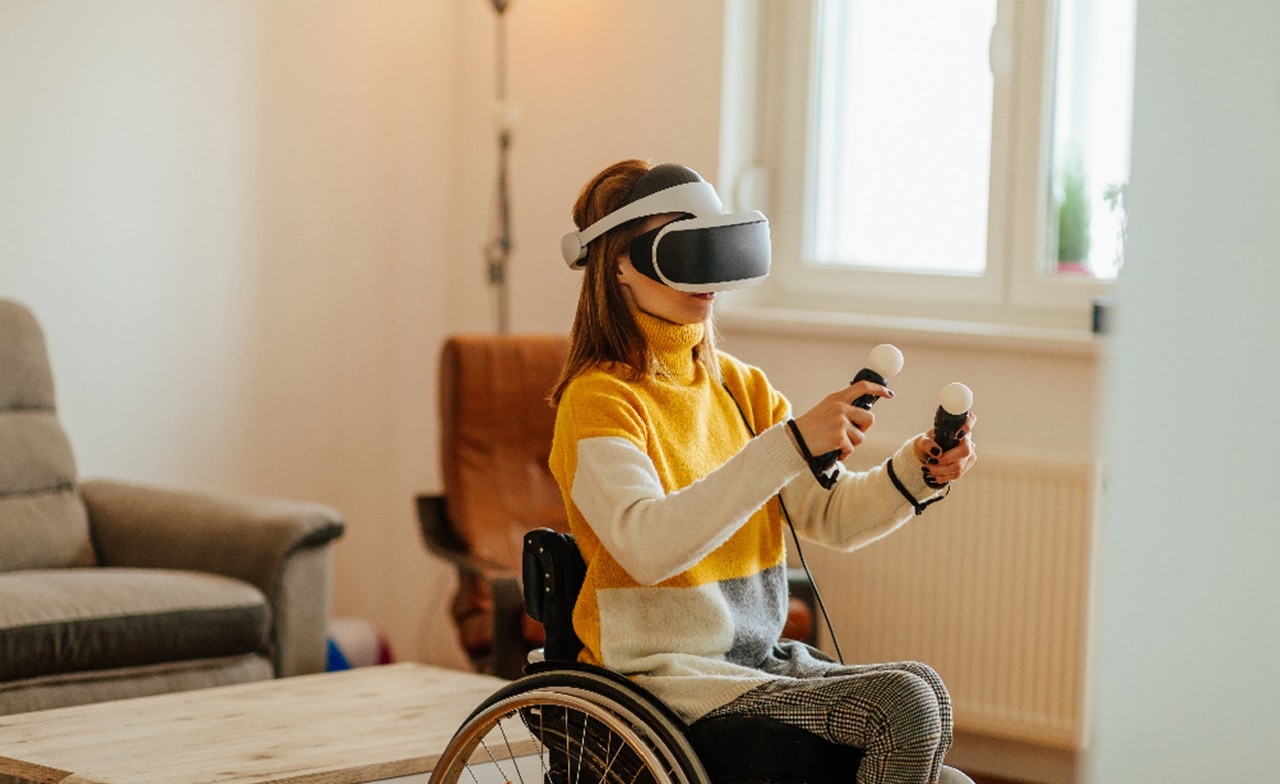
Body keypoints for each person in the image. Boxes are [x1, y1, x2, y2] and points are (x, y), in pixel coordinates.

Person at [548, 159, 978, 784]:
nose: (709, 274)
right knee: (903, 706)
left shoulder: (741, 388)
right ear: (619, 263)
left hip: (758, 665)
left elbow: (826, 516)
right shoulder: (598, 402)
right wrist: (792, 443)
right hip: (667, 685)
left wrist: (920, 472)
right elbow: (646, 545)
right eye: (684, 246)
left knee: (927, 703)